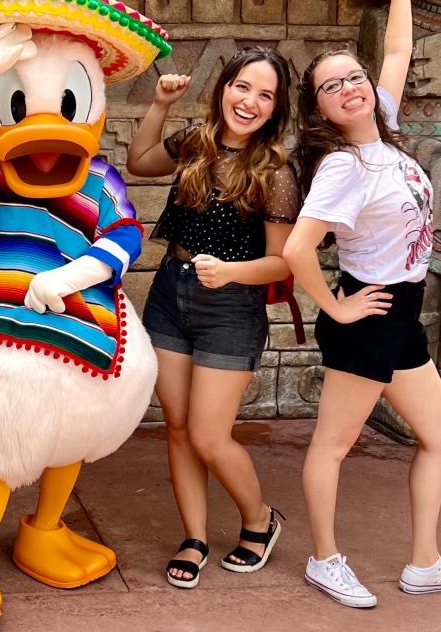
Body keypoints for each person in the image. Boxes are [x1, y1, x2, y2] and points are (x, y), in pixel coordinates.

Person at [283, 0, 441, 609]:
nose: (348, 87)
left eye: (352, 77)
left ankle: (425, 562)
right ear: (320, 108)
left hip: (400, 312)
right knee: (333, 447)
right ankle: (325, 558)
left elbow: (398, 51)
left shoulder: (387, 130)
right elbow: (297, 251)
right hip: (368, 313)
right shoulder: (342, 166)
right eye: (330, 85)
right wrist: (336, 310)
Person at [126, 47, 300, 589]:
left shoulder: (275, 171)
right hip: (169, 296)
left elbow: (283, 260)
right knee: (176, 428)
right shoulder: (196, 143)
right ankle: (195, 537)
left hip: (230, 306)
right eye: (242, 87)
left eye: (264, 95)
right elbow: (139, 162)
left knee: (209, 434)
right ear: (224, 87)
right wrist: (157, 104)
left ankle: (260, 520)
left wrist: (230, 273)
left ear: (275, 109)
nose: (249, 102)